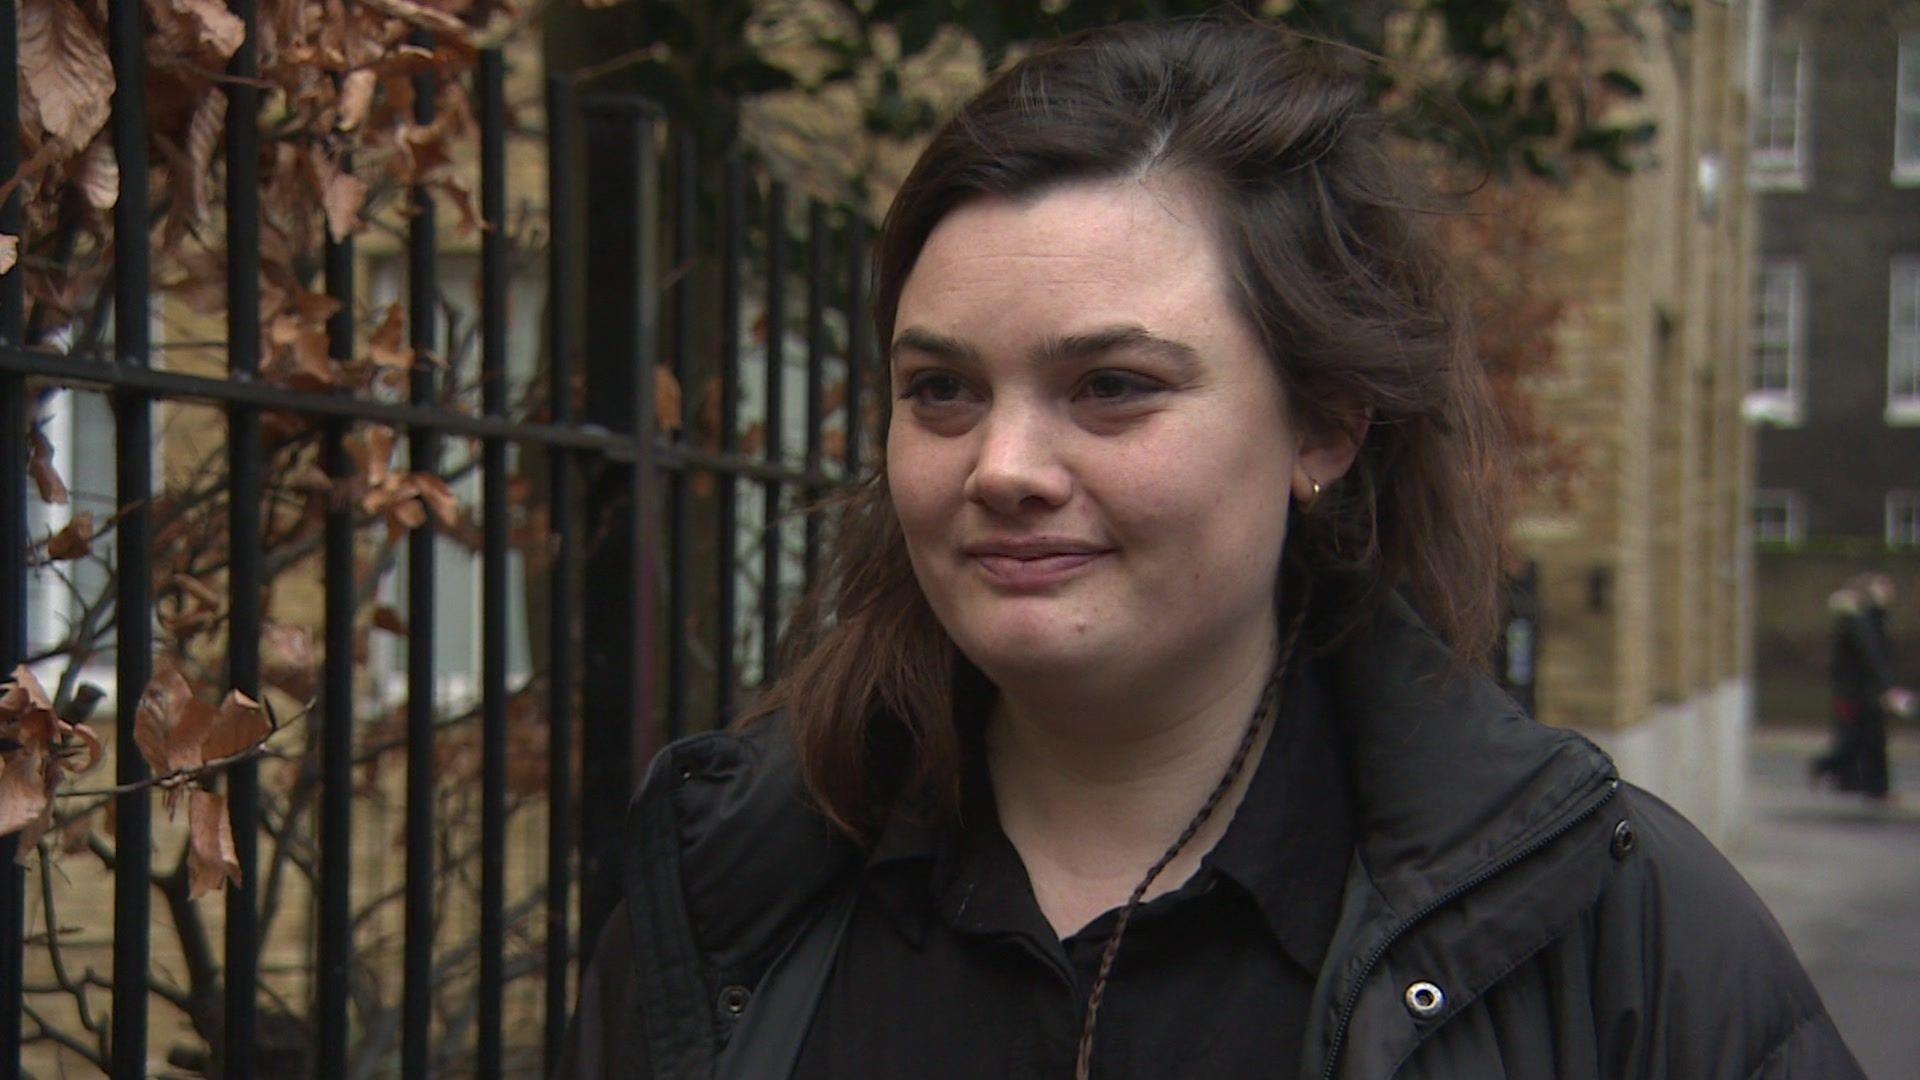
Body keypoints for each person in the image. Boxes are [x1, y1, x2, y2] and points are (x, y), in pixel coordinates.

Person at [561, 16, 1862, 1078]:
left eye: (1114, 385)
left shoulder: (1605, 940)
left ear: (1326, 424)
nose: (1003, 467)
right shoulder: (737, 902)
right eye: (941, 390)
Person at [1812, 574, 1905, 799]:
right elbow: (1872, 656)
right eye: (1882, 587)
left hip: (1861, 690)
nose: (1889, 592)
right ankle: (1869, 785)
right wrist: (1888, 687)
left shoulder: (1871, 617)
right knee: (1866, 738)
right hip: (1860, 691)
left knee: (1860, 738)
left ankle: (1855, 781)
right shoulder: (1858, 619)